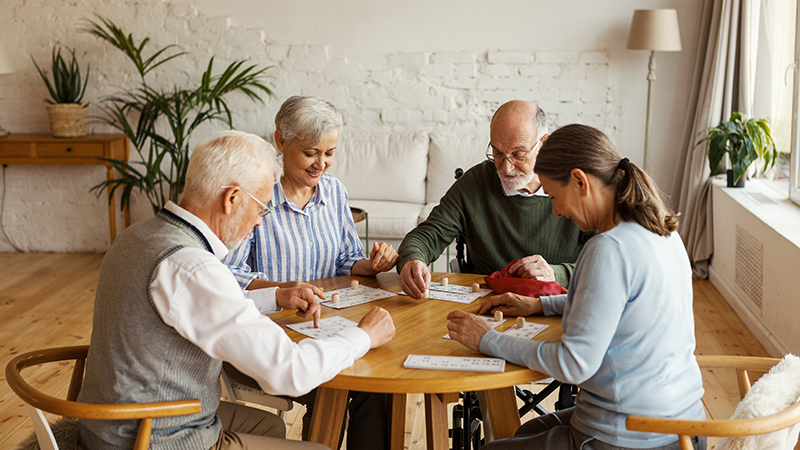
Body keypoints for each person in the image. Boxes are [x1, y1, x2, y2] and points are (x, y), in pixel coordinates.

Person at [77, 131, 395, 450]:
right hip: (151, 437)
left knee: (268, 425)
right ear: (232, 199)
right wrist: (363, 336)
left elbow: (190, 305)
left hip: (106, 421)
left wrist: (274, 296)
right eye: (261, 208)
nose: (259, 222)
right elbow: (289, 372)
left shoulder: (139, 236)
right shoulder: (193, 267)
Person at [446, 124, 706, 450]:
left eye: (554, 196)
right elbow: (617, 308)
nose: (555, 211)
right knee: (520, 435)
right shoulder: (660, 230)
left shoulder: (609, 249)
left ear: (580, 181)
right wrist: (540, 304)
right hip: (681, 426)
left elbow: (573, 364)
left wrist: (488, 339)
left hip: (630, 437)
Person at [222, 96, 398, 450]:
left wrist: (371, 264)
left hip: (329, 322)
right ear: (281, 141)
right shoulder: (257, 195)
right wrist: (283, 290)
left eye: (329, 153)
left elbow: (347, 258)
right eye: (311, 152)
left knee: (378, 384)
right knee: (339, 380)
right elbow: (230, 275)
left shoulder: (334, 192)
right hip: (272, 334)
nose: (322, 164)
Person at [397, 100, 592, 300]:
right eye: (498, 153)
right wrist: (413, 260)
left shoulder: (574, 184)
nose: (506, 168)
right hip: (487, 302)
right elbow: (426, 236)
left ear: (543, 144)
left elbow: (608, 262)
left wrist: (556, 274)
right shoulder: (475, 183)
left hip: (561, 303)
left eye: (518, 155)